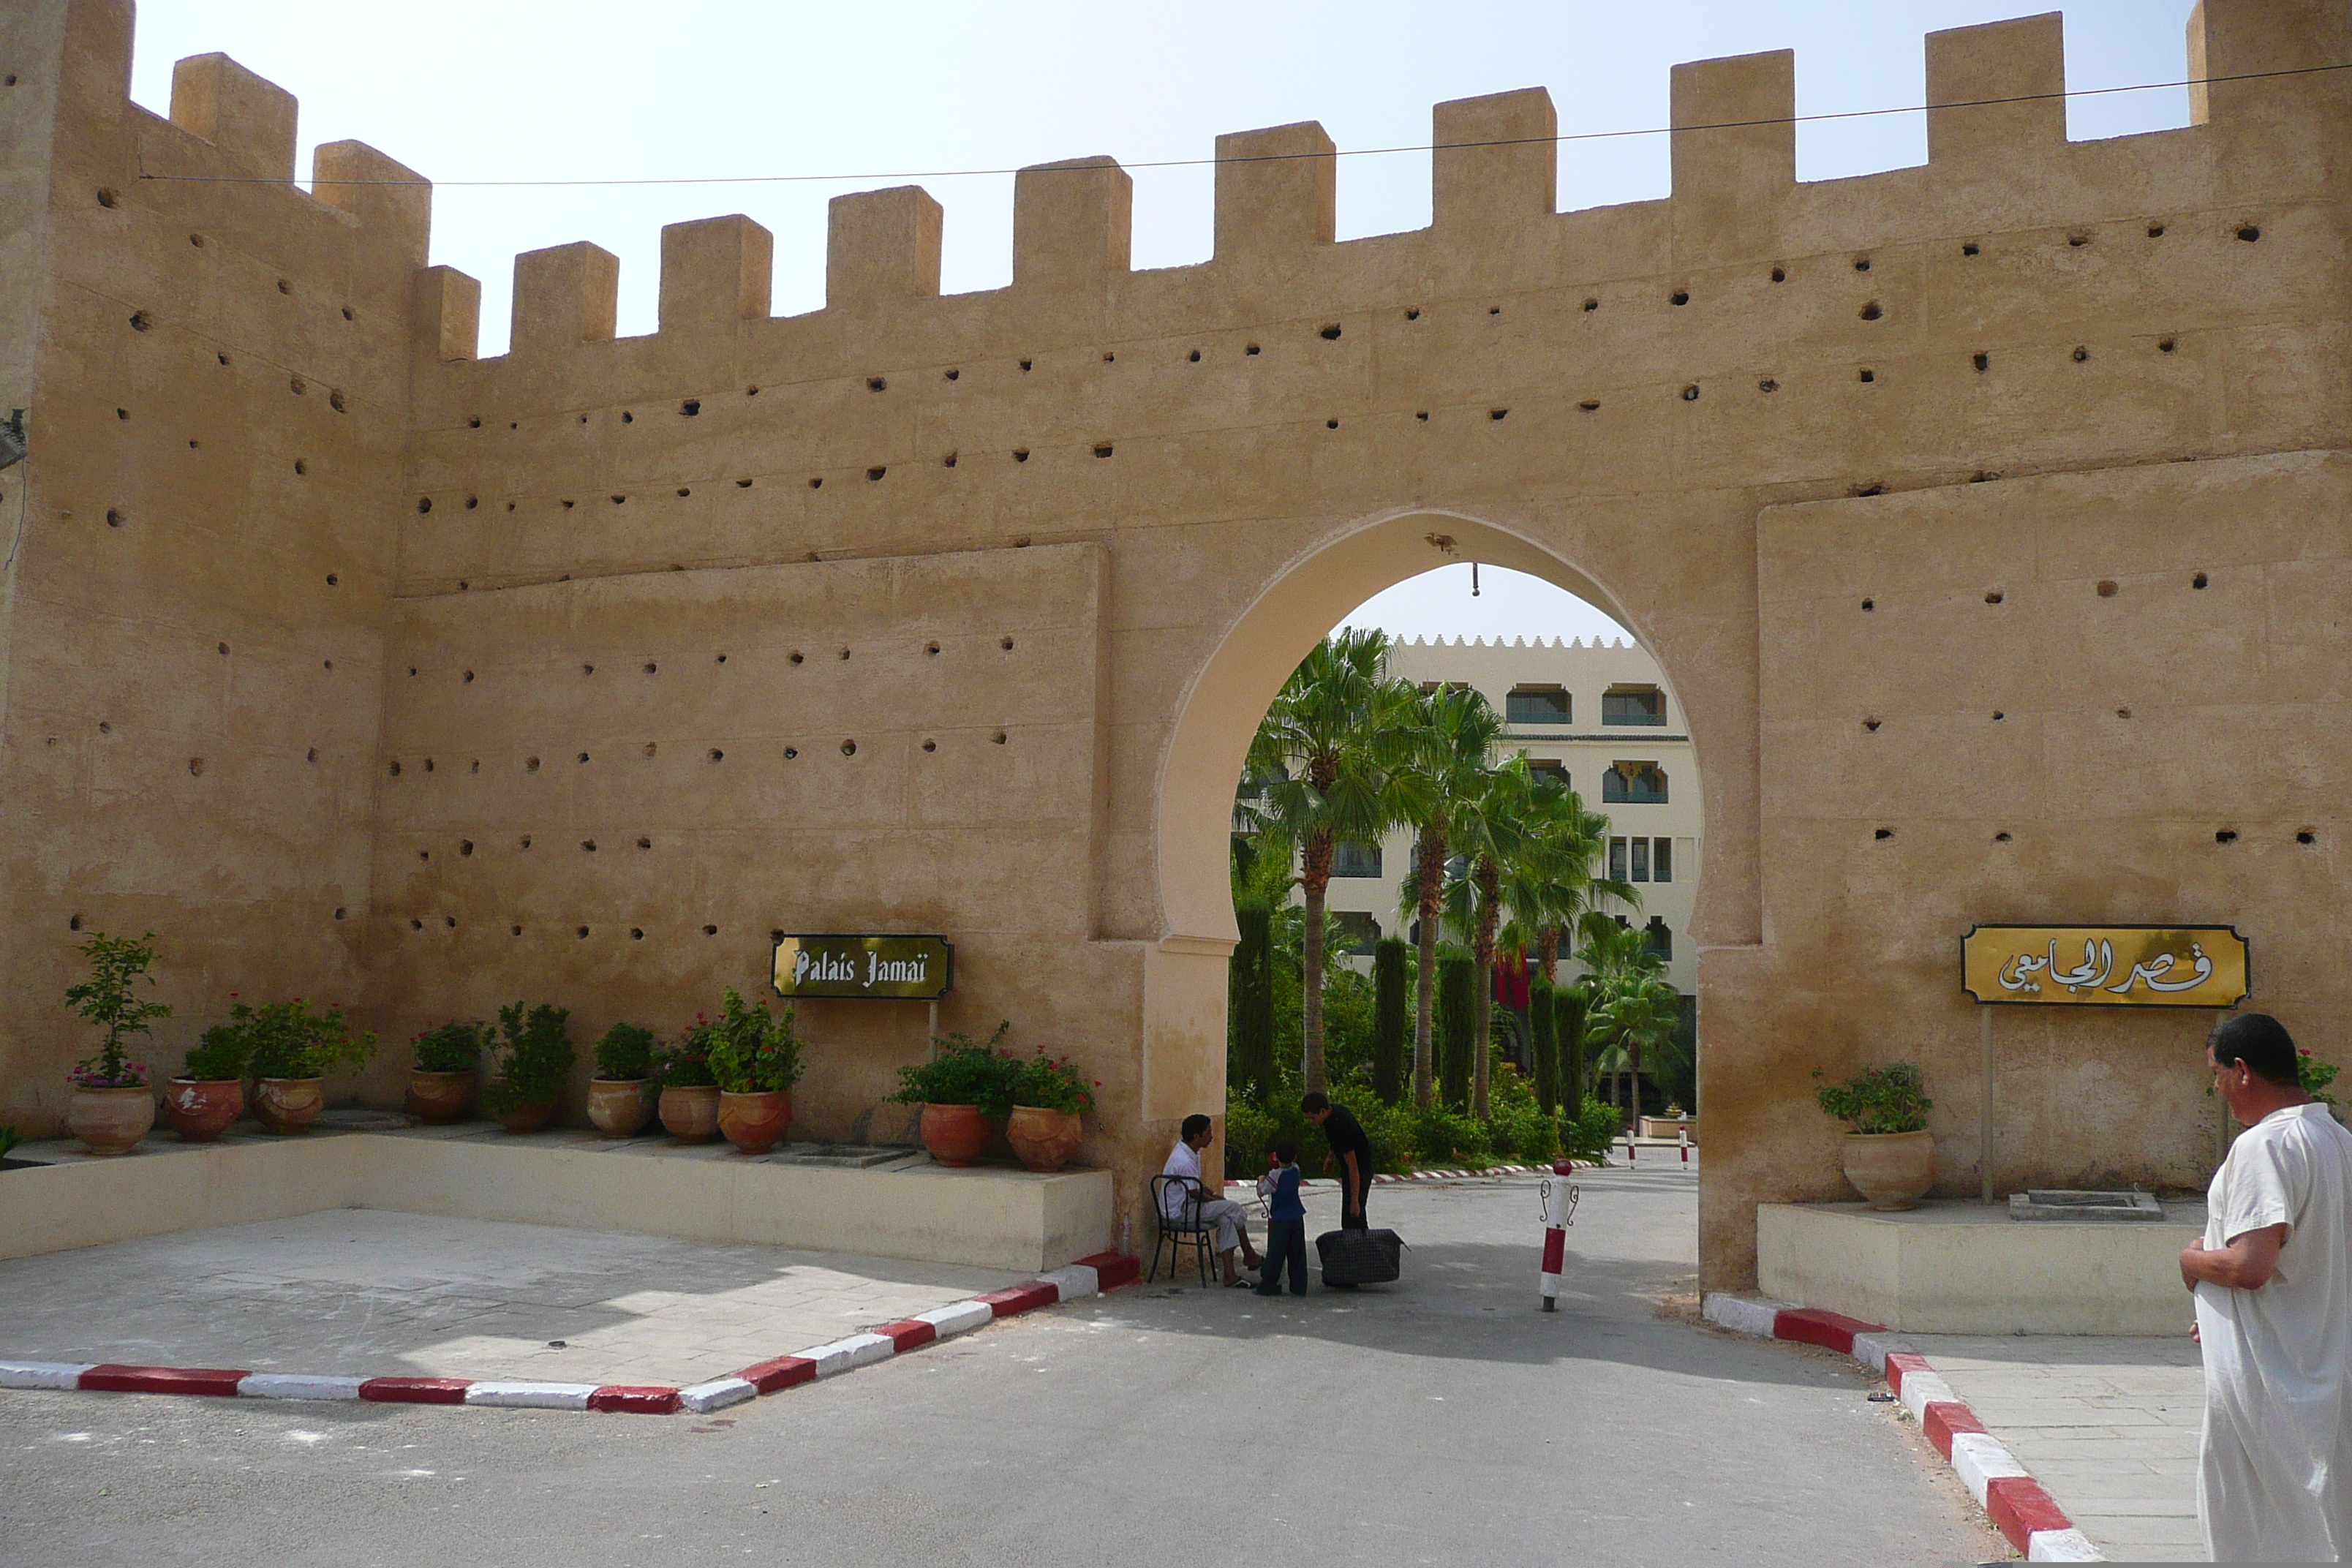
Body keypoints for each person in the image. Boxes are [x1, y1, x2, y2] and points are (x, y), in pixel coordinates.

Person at [2181, 1011, 2352, 1562]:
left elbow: (2251, 1266)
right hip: (2324, 1371)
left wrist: (2192, 1262)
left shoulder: (2265, 1147)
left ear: (2243, 1070)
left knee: (2257, 1529)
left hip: (2270, 1379)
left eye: (2218, 1073)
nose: (2218, 1087)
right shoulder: (2338, 1141)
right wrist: (2216, 1307)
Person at [1161, 1114, 1262, 1286]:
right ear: (1196, 1136)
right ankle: (1249, 1254)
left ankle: (1230, 1275)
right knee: (1233, 1208)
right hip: (1180, 1212)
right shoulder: (1184, 1160)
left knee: (1226, 1217)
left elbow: (1196, 1185)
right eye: (1208, 1132)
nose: (1211, 1136)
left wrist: (1215, 1196)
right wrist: (1214, 1201)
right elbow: (1195, 1193)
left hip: (1189, 1205)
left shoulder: (1191, 1152)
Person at [1302, 1091, 1373, 1230]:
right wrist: (1331, 1157)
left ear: (1322, 1111)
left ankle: (1362, 1248)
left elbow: (1353, 1167)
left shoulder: (1341, 1126)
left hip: (1361, 1170)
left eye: (1312, 1118)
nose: (1311, 1122)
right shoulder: (1332, 1114)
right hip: (1351, 1169)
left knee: (1354, 1216)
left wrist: (1355, 1200)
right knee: (1350, 1216)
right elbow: (1335, 1142)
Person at [1255, 1139, 1308, 1297]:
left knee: (1276, 1255)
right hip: (1296, 1216)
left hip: (1280, 1219)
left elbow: (1262, 1192)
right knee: (1297, 1254)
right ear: (1295, 1157)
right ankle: (1299, 1287)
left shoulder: (1274, 1175)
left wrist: (1260, 1180)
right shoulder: (1296, 1170)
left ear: (1276, 1156)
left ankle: (1267, 1286)